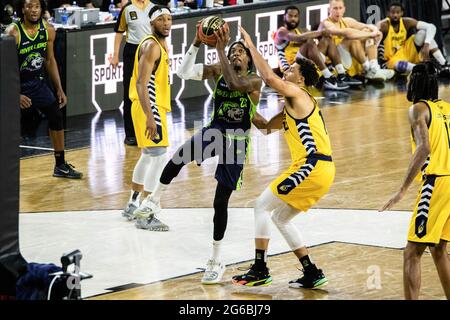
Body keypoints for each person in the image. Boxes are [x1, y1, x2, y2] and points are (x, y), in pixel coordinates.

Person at [130, 23, 268, 285]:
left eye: (241, 51)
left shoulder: (253, 80)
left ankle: (216, 259)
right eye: (233, 50)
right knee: (180, 154)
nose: (236, 54)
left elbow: (234, 83)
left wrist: (220, 50)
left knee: (220, 202)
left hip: (236, 143)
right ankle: (155, 200)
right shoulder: (219, 68)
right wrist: (196, 42)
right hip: (216, 130)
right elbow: (182, 72)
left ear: (249, 58)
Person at [231, 26, 335, 289]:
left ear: (300, 80)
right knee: (279, 217)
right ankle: (312, 271)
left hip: (313, 165)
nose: (286, 71)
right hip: (319, 169)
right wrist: (245, 103)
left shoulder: (299, 95)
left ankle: (260, 268)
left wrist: (251, 46)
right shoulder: (292, 105)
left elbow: (268, 77)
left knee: (261, 206)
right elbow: (265, 127)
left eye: (291, 70)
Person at [380, 61, 450, 300]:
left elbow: (424, 148)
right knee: (439, 248)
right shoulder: (447, 108)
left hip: (437, 183)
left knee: (411, 252)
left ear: (414, 83)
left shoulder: (418, 109)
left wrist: (402, 190)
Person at [5, 0, 82, 179]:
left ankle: (60, 165)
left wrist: (59, 89)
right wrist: (15, 94)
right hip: (15, 85)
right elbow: (4, 68)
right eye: (30, 6)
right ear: (22, 9)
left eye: (37, 6)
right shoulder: (13, 32)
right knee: (9, 130)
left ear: (42, 9)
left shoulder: (48, 30)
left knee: (56, 116)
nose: (33, 10)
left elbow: (49, 60)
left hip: (37, 83)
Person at [121, 5, 172, 228]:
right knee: (159, 156)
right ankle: (146, 212)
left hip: (146, 107)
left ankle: (133, 203)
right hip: (149, 107)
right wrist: (151, 116)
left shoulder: (158, 44)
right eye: (161, 19)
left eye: (169, 19)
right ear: (152, 23)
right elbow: (142, 83)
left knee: (148, 155)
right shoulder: (152, 46)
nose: (167, 23)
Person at [275, 5, 361, 90]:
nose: (293, 19)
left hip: (307, 66)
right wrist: (321, 32)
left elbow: (314, 36)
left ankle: (342, 74)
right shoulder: (281, 32)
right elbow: (298, 38)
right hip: (291, 69)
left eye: (295, 16)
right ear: (284, 17)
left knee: (327, 40)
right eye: (290, 16)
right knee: (308, 43)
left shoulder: (303, 31)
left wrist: (326, 33)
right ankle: (328, 77)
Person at [111, 0, 155, 146]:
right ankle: (130, 134)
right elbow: (119, 32)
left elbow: (160, 32)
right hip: (132, 51)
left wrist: (165, 49)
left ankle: (151, 129)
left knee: (151, 91)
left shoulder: (154, 7)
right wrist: (115, 55)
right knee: (130, 93)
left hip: (150, 49)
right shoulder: (127, 9)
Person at [319, 0, 394, 81]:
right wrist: (371, 34)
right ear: (329, 9)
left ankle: (374, 68)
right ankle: (368, 69)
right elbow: (346, 33)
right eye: (335, 8)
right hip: (335, 63)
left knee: (367, 31)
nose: (338, 11)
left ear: (344, 9)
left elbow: (368, 26)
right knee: (352, 39)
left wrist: (375, 31)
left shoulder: (347, 20)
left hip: (348, 58)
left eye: (340, 8)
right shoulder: (326, 23)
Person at [377, 2, 450, 76]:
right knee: (401, 65)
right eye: (392, 13)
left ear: (402, 13)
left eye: (397, 12)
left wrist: (426, 44)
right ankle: (428, 70)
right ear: (388, 13)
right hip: (391, 60)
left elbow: (431, 27)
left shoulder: (406, 22)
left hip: (405, 52)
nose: (395, 15)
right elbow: (373, 40)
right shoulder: (384, 25)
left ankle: (444, 64)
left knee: (423, 33)